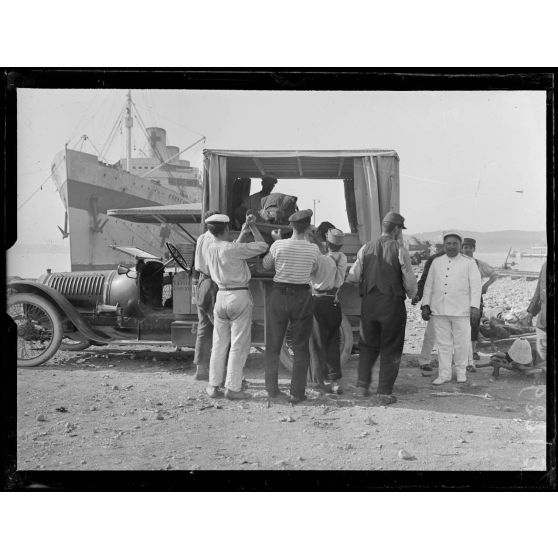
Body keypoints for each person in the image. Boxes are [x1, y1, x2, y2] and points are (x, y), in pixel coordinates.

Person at [347, 212, 417, 404]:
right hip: (391, 304)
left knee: (367, 345)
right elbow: (409, 279)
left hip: (369, 303)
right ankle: (384, 392)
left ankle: (362, 387)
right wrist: (412, 294)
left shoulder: (366, 247)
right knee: (391, 347)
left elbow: (353, 276)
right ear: (396, 229)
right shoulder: (399, 248)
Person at [204, 213, 269, 400]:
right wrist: (254, 227)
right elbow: (262, 246)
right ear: (225, 229)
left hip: (221, 296)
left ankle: (213, 385)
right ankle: (233, 387)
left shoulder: (209, 248)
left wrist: (242, 232)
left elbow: (232, 250)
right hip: (238, 296)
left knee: (219, 344)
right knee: (238, 344)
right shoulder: (232, 249)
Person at [262, 209, 321, 404]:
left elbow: (266, 265)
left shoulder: (278, 244)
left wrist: (274, 242)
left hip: (279, 295)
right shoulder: (313, 249)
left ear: (291, 226)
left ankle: (272, 390)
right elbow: (314, 270)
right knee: (300, 346)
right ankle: (297, 393)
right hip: (302, 297)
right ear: (309, 227)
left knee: (273, 344)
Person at [421, 232, 481, 385]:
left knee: (462, 343)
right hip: (439, 309)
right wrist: (425, 304)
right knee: (443, 344)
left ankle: (461, 372)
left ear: (460, 246)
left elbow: (476, 286)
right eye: (448, 243)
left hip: (461, 311)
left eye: (455, 243)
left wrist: (475, 306)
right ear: (444, 245)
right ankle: (444, 374)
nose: (451, 246)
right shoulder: (436, 262)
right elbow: (429, 284)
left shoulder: (468, 262)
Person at [309, 228, 348, 394]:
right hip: (334, 303)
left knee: (318, 344)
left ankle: (319, 383)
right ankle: (335, 381)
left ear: (327, 242)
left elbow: (310, 274)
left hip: (318, 302)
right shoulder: (343, 258)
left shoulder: (321, 259)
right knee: (333, 341)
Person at [461, 237, 498, 371]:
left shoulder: (479, 264)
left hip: (476, 299)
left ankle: (473, 351)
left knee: (474, 325)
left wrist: (486, 286)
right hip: (459, 300)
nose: (467, 250)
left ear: (474, 249)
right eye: (465, 247)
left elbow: (494, 274)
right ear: (462, 248)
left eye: (470, 247)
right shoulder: (456, 263)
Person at [191, 210, 218, 381]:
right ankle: (221, 372)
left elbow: (196, 265)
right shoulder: (216, 240)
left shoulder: (201, 238)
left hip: (201, 282)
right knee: (221, 329)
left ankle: (201, 369)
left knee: (203, 327)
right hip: (214, 283)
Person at [411, 244, 445, 376]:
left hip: (454, 304)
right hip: (436, 302)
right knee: (431, 334)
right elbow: (424, 280)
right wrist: (418, 296)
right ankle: (424, 361)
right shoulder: (433, 260)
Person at [526, 260, 547, 365]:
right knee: (542, 352)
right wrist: (531, 312)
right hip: (544, 319)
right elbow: (538, 291)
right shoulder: (545, 265)